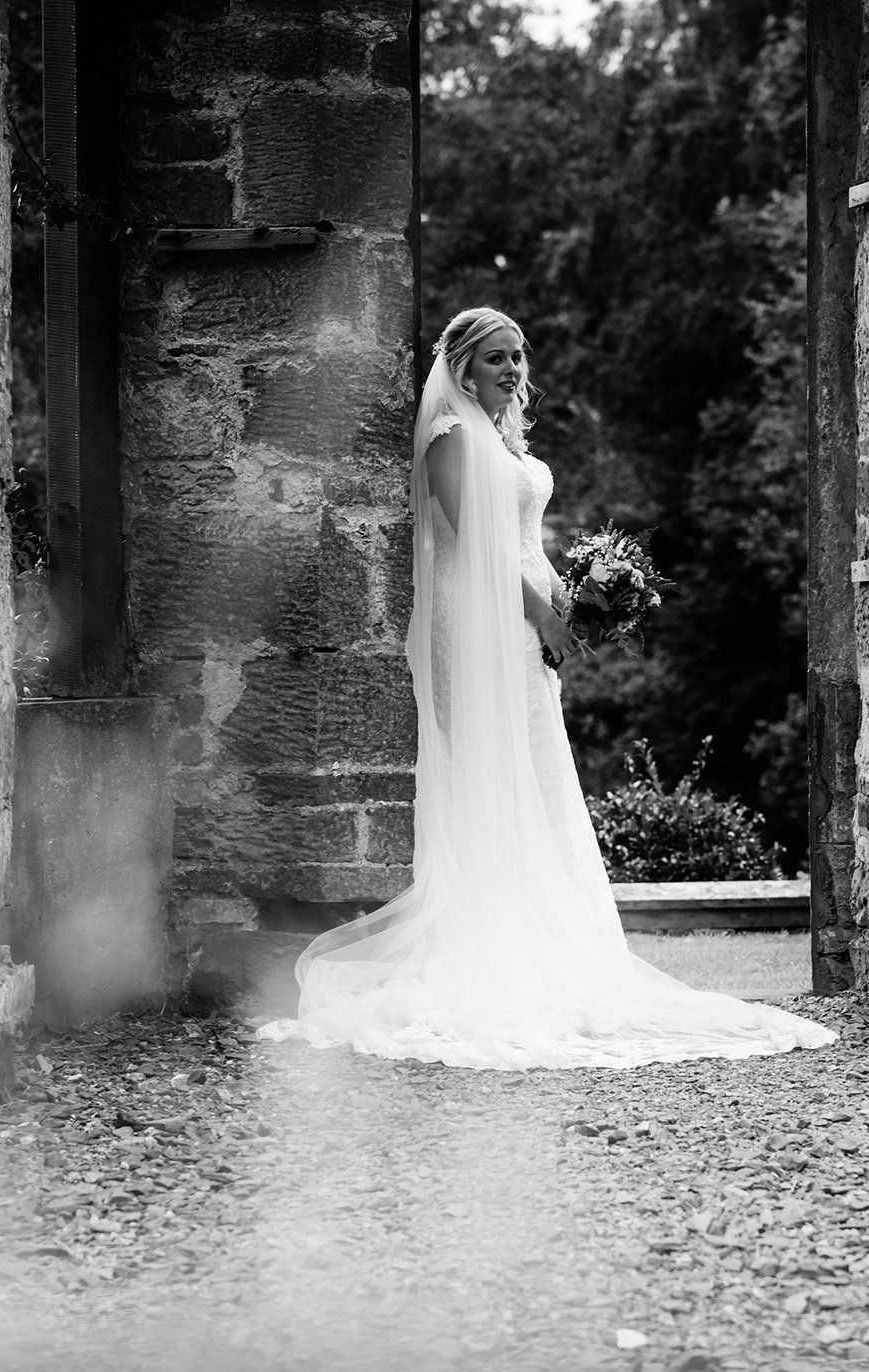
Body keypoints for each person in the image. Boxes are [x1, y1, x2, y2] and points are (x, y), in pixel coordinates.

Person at [258, 307, 836, 1069]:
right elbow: (477, 545)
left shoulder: (501, 439)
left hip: (524, 622)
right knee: (490, 771)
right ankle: (489, 944)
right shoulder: (451, 438)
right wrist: (544, 615)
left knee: (532, 765)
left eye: (518, 357)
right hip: (478, 622)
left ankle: (544, 933)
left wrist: (579, 597)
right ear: (462, 368)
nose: (512, 370)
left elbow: (524, 541)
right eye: (496, 359)